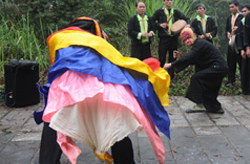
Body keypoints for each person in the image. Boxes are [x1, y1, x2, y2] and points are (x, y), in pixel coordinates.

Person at [36, 17, 171, 164]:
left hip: (68, 93)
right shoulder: (100, 44)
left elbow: (56, 69)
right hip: (104, 94)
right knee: (116, 129)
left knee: (53, 123)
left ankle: (47, 161)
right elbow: (122, 63)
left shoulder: (61, 40)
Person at [163, 28, 228, 114]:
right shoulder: (197, 45)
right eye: (184, 40)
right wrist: (181, 58)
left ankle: (200, 104)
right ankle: (216, 108)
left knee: (197, 78)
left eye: (188, 37)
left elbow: (190, 57)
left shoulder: (199, 43)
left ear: (194, 35)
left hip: (218, 67)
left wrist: (171, 64)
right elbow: (193, 59)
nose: (187, 41)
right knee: (209, 88)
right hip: (217, 68)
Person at [151, 0, 190, 78]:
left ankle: (170, 77)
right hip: (163, 39)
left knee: (173, 58)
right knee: (162, 58)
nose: (169, 2)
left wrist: (188, 24)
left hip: (173, 38)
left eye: (171, 0)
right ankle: (160, 77)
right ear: (164, 1)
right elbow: (151, 22)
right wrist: (159, 25)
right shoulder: (159, 12)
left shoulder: (175, 12)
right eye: (167, 0)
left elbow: (186, 18)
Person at [236, 4, 250, 95]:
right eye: (242, 11)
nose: (243, 13)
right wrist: (241, 49)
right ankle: (245, 90)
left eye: (245, 11)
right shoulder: (241, 21)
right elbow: (239, 36)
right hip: (244, 48)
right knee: (244, 69)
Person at [225, 0, 243, 87]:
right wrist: (228, 33)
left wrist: (238, 28)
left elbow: (244, 28)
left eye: (233, 7)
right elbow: (227, 28)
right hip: (231, 40)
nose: (231, 9)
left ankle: (243, 81)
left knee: (240, 61)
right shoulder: (229, 17)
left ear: (237, 6)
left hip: (239, 41)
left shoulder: (242, 16)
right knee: (230, 61)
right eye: (230, 7)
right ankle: (231, 80)